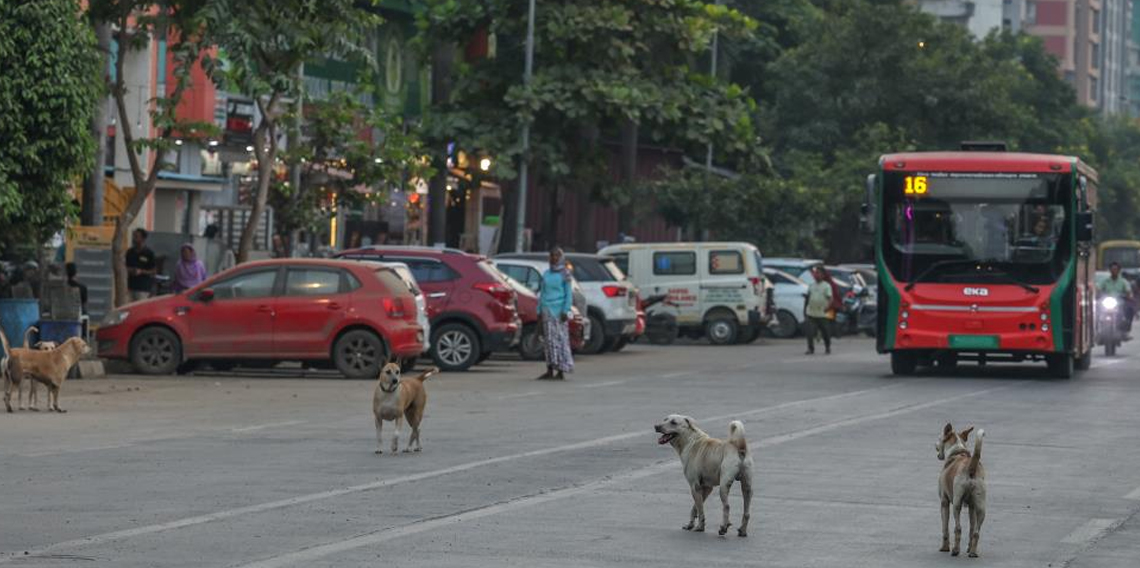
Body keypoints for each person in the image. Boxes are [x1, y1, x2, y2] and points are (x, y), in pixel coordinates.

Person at [537, 247, 574, 380]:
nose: (554, 258)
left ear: (561, 257)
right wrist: (539, 310)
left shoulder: (565, 274)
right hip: (546, 310)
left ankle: (560, 371)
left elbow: (569, 294)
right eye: (552, 255)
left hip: (559, 312)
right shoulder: (546, 273)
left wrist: (565, 310)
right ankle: (549, 369)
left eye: (557, 256)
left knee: (560, 341)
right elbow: (542, 293)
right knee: (549, 342)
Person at [803, 265, 833, 355]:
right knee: (810, 332)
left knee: (825, 332)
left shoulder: (826, 286)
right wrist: (805, 309)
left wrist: (828, 307)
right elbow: (808, 298)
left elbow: (830, 298)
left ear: (823, 275)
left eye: (819, 273)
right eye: (815, 273)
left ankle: (827, 347)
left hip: (822, 313)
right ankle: (810, 348)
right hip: (811, 312)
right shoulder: (811, 285)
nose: (816, 275)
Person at [1098, 261, 1134, 336]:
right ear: (1110, 270)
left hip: (1119, 302)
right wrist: (1098, 294)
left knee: (1130, 309)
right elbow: (1099, 289)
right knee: (1097, 310)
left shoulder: (1123, 281)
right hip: (1107, 301)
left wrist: (1129, 295)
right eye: (1112, 269)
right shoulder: (1105, 281)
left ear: (1118, 270)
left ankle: (1125, 329)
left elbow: (1128, 291)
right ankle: (1098, 329)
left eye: (1116, 269)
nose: (1114, 271)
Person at [125, 228, 157, 301]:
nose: (134, 238)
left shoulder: (149, 253)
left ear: (143, 238)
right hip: (130, 287)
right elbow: (124, 267)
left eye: (136, 236)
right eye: (134, 236)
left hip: (143, 288)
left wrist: (141, 271)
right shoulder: (130, 252)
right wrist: (130, 270)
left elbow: (153, 271)